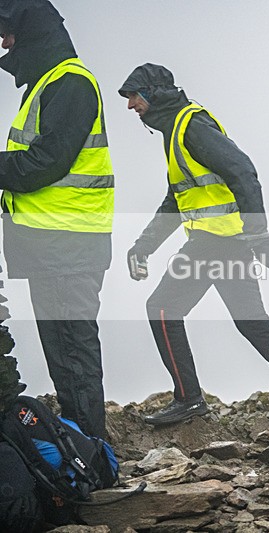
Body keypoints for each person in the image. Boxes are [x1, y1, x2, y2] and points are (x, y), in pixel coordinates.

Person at [119, 64, 269, 426]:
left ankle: (188, 399)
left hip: (216, 242)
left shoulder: (191, 124)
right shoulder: (175, 131)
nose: (130, 105)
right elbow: (177, 199)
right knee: (251, 322)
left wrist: (259, 234)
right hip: (226, 243)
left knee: (162, 309)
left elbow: (243, 171)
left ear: (152, 93)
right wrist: (143, 246)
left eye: (134, 95)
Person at [0, 0, 114, 439]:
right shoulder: (51, 82)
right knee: (66, 356)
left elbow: (45, 164)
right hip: (54, 244)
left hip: (68, 244)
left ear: (32, 31)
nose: (6, 43)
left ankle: (91, 457)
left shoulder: (71, 83)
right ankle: (84, 452)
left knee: (73, 354)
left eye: (8, 33)